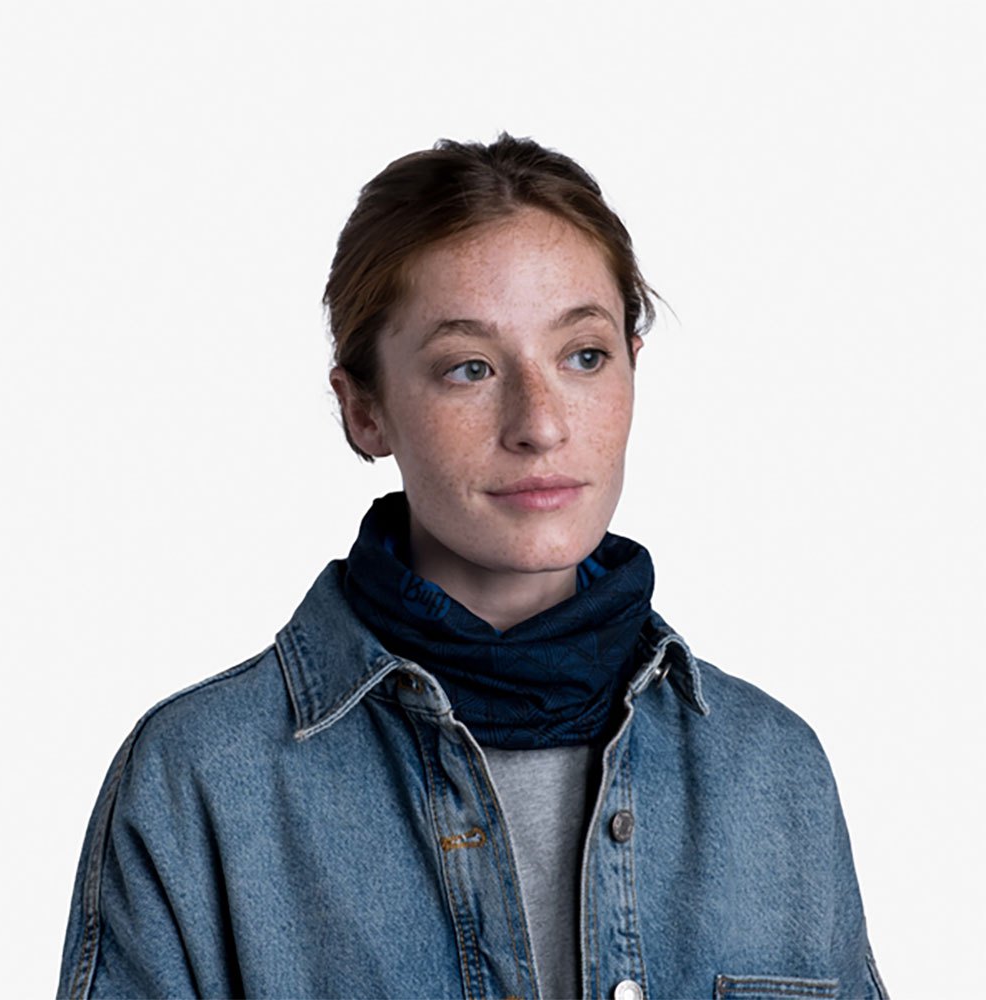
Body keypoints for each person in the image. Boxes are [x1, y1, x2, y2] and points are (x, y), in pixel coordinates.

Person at [58, 134, 887, 1000]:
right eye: (470, 368)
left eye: (584, 356)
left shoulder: (772, 768)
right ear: (364, 410)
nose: (541, 424)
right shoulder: (199, 782)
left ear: (633, 370)